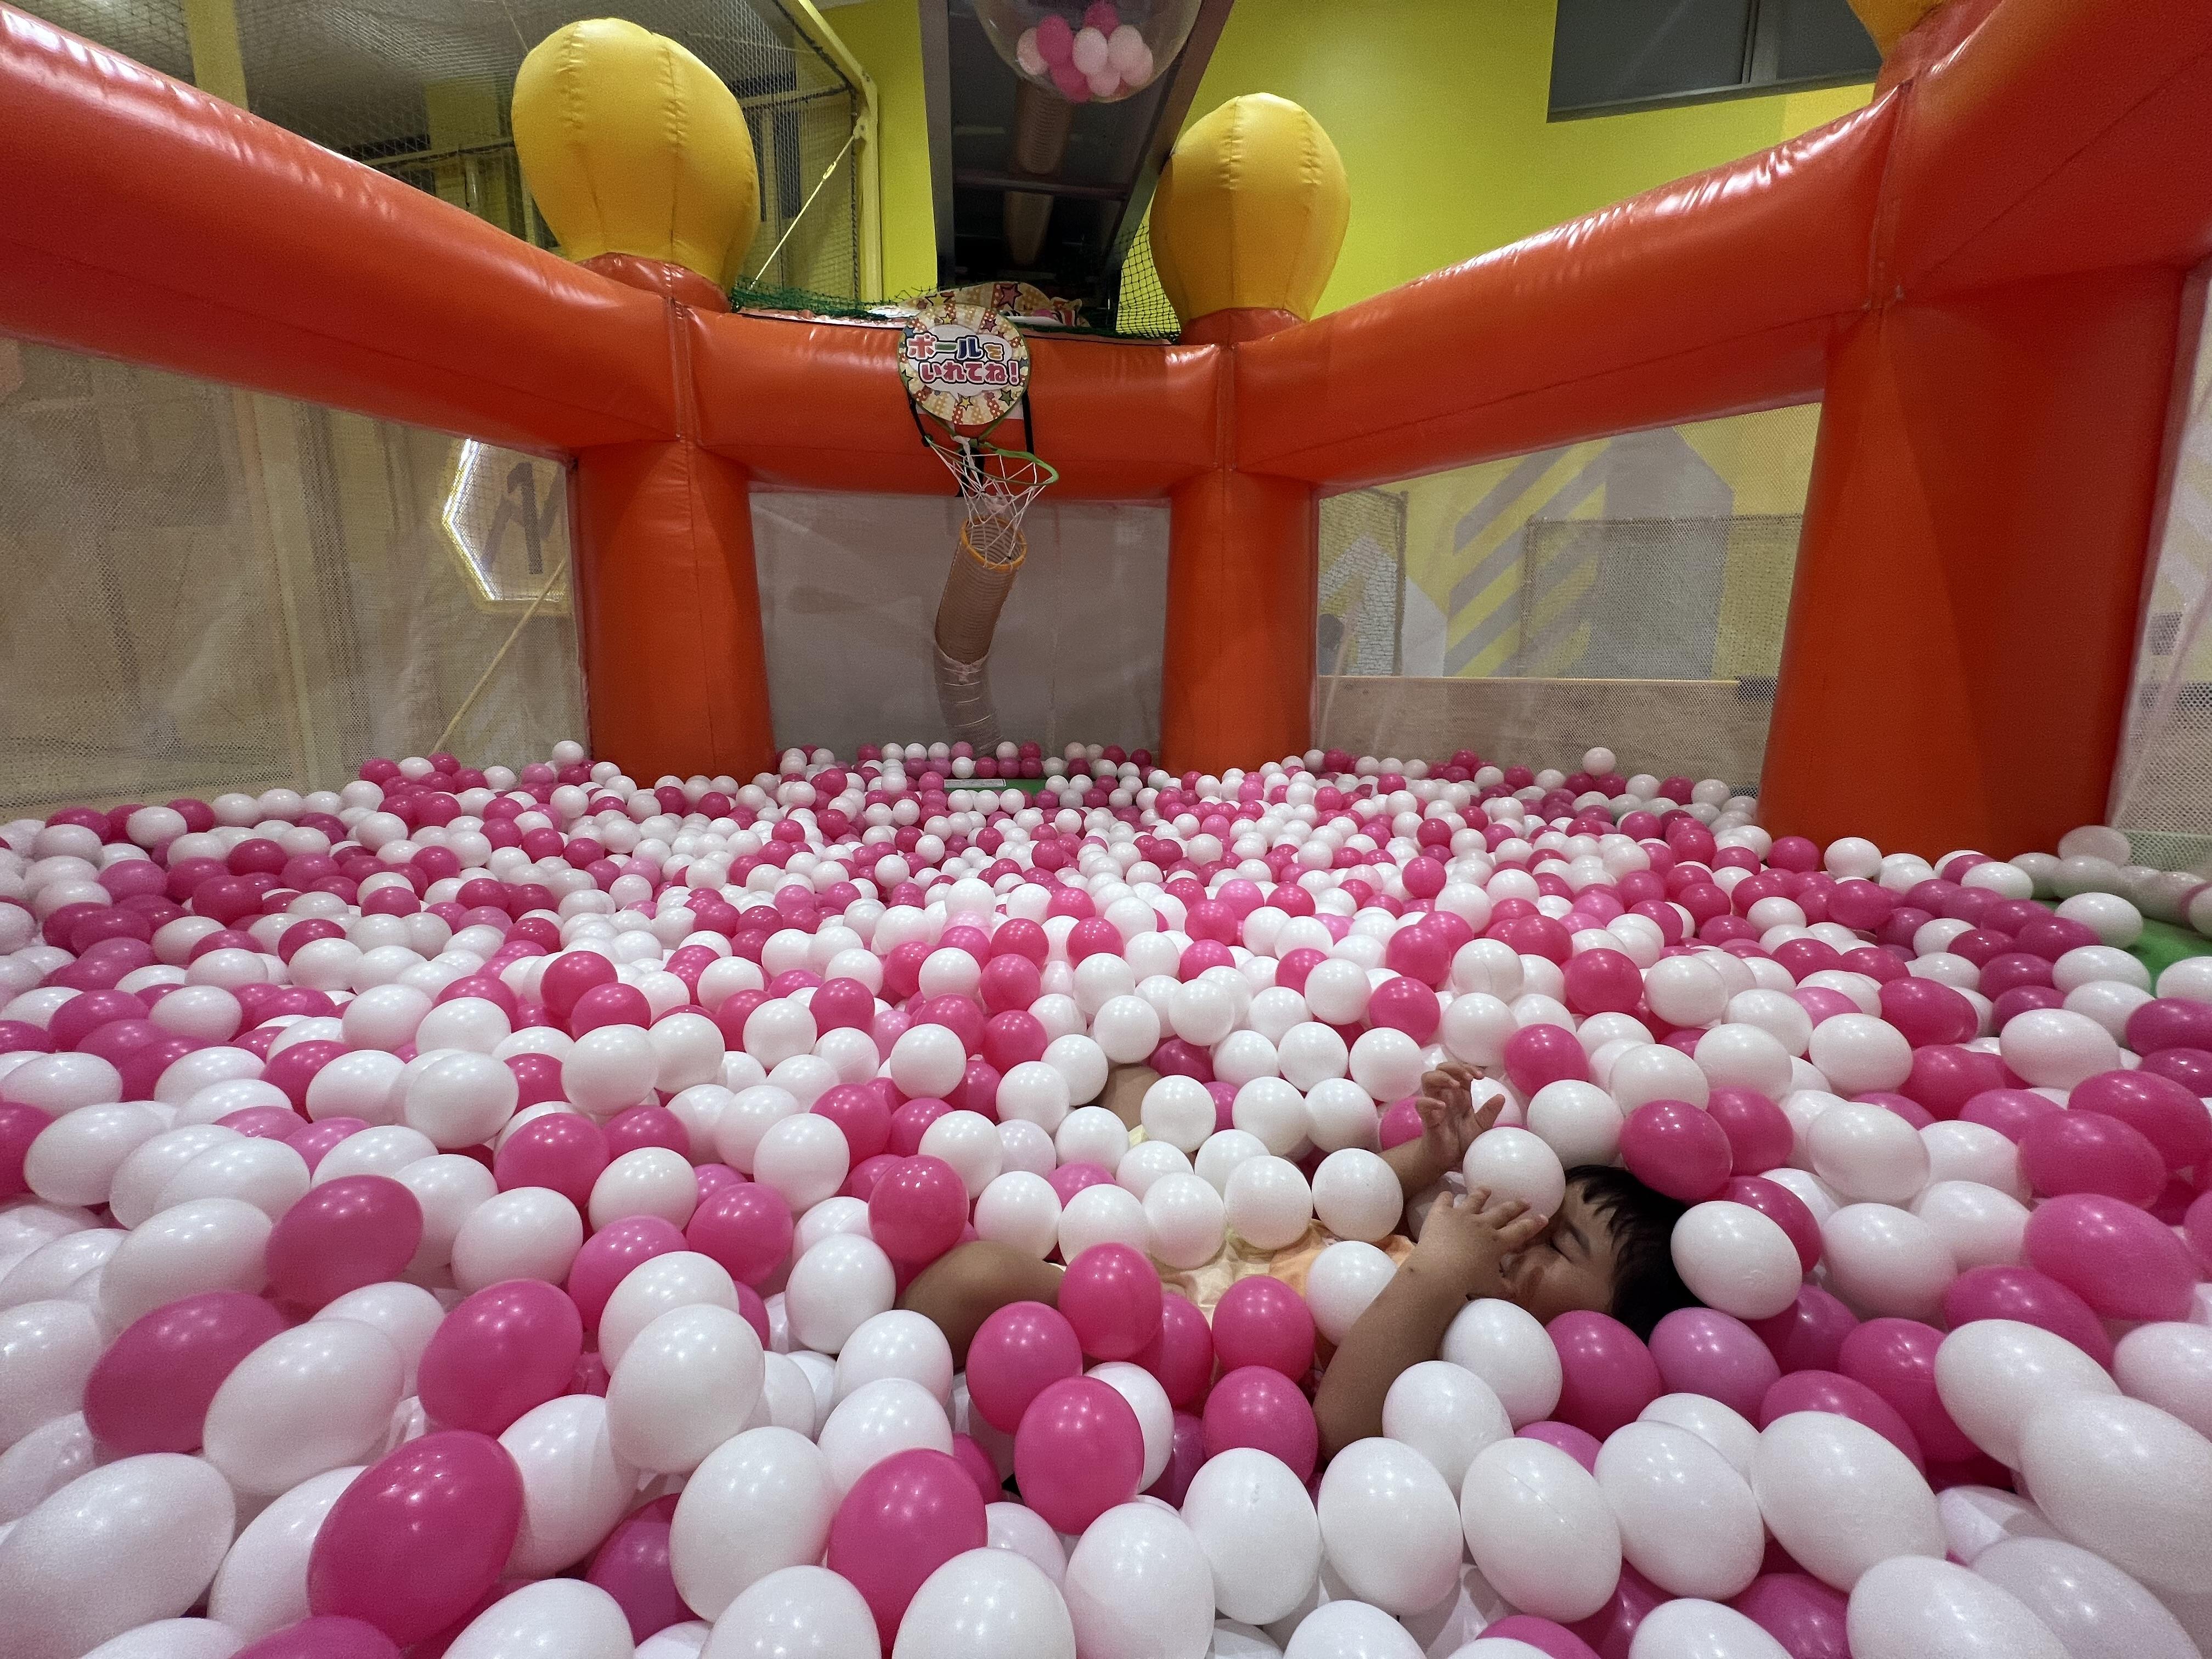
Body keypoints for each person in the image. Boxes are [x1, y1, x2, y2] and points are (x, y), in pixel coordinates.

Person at [899, 1059, 1697, 1460]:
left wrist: (1441, 1274)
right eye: (1535, 1205)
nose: (1521, 1227)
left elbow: (1340, 1425)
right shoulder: (1447, 1239)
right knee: (1137, 1077)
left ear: (1605, 1326)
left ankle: (884, 1383)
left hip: (1182, 1335)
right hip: (1202, 1234)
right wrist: (1435, 1156)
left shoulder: (1470, 1344)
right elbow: (1362, 1201)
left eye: (1560, 1244)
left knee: (978, 1279)